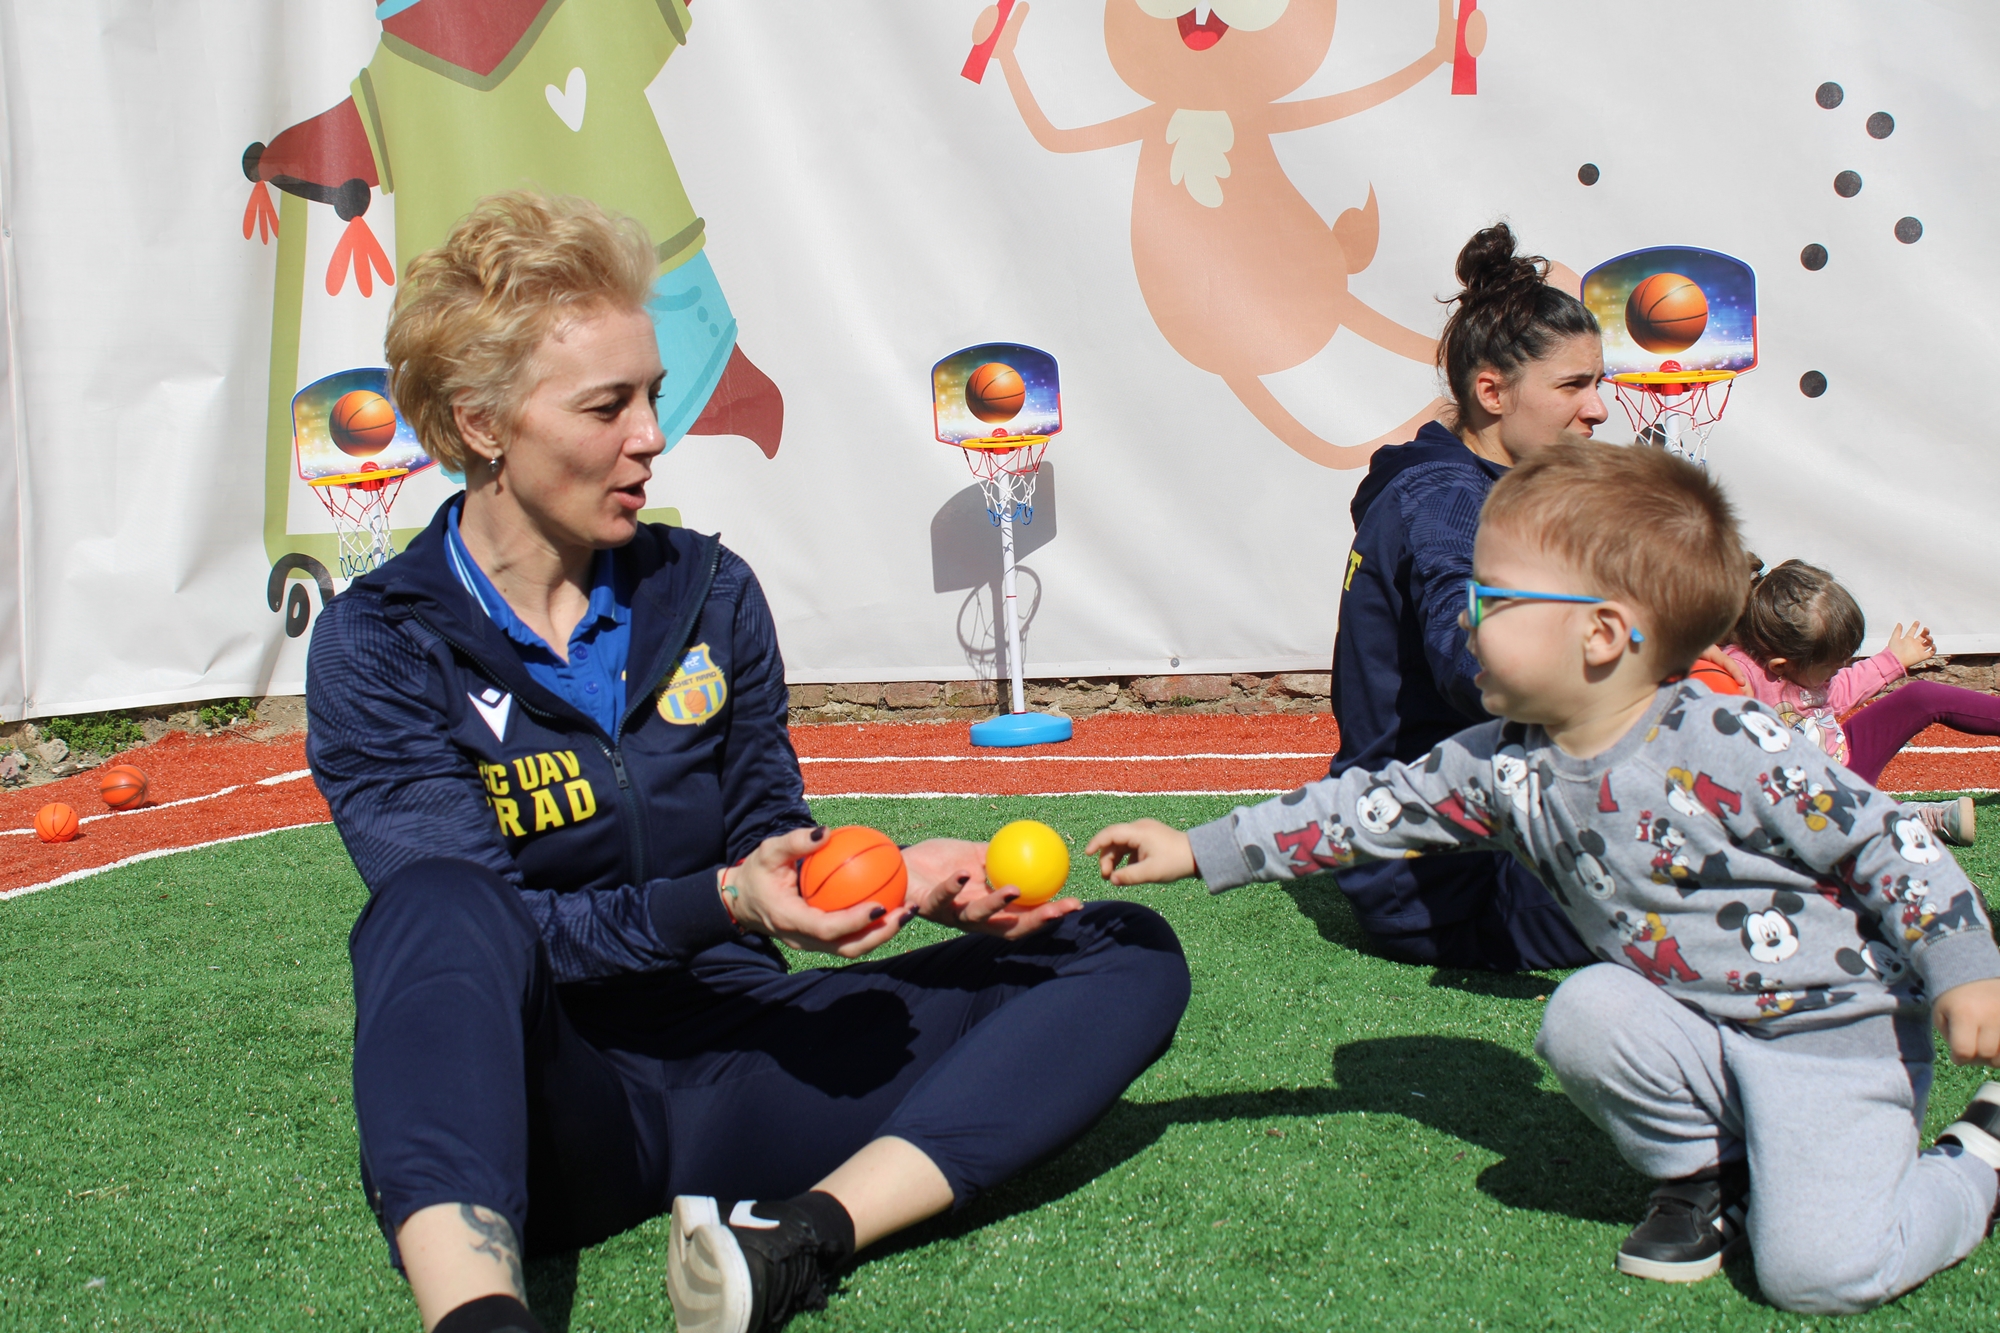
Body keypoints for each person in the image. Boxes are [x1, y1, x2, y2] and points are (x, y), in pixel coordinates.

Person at [305, 191, 1191, 1333]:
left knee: (1122, 948)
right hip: (551, 1106)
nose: (650, 435)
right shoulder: (382, 641)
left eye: (652, 395)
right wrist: (720, 899)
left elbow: (765, 829)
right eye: (606, 405)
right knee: (431, 906)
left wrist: (885, 875)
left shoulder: (710, 590)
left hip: (747, 1064)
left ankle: (794, 1237)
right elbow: (498, 929)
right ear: (481, 424)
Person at [1086, 441, 2000, 1313]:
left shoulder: (1727, 739)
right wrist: (1199, 847)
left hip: (1830, 1033)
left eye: (1490, 597)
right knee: (1586, 1013)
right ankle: (1711, 1173)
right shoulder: (1501, 762)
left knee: (1819, 1274)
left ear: (1600, 634)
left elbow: (1889, 840)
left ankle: (1979, 1160)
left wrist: (1963, 965)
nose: (1462, 616)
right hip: (1700, 1022)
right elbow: (1362, 809)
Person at [1326, 222, 1601, 971]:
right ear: (1491, 391)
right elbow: (1466, 653)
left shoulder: (1463, 486)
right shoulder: (1449, 501)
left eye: (1598, 383)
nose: (1598, 409)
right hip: (1439, 878)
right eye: (1573, 386)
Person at [1722, 557, 2000, 847]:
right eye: (1831, 666)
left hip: (1844, 761)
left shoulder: (1796, 664)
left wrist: (1892, 660)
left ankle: (1888, 814)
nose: (1839, 669)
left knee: (1920, 697)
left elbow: (1838, 693)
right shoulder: (1736, 676)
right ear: (1781, 666)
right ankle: (1907, 817)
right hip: (1803, 803)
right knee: (1835, 815)